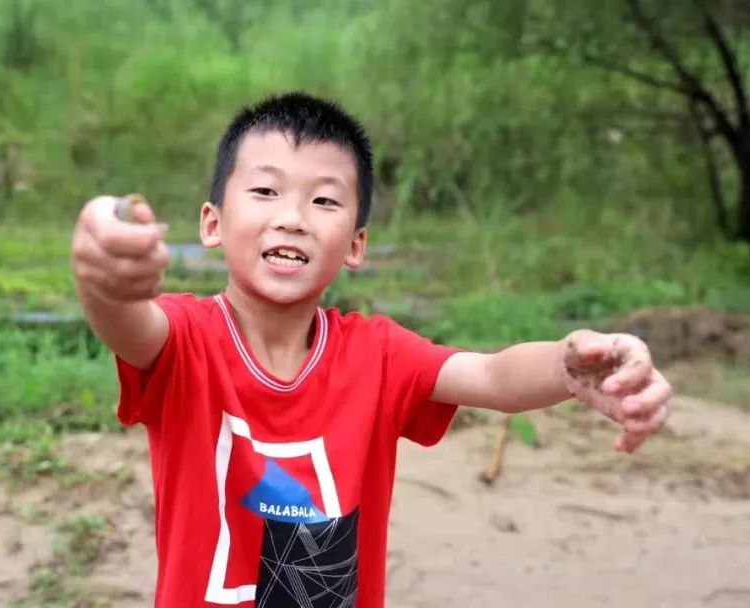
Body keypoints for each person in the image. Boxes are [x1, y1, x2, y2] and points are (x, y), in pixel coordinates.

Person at [70, 92, 672, 608]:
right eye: (265, 190)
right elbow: (126, 322)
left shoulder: (377, 352)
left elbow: (491, 376)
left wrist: (569, 363)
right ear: (212, 223)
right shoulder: (185, 340)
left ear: (356, 244)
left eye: (324, 200)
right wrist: (103, 269)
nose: (292, 217)